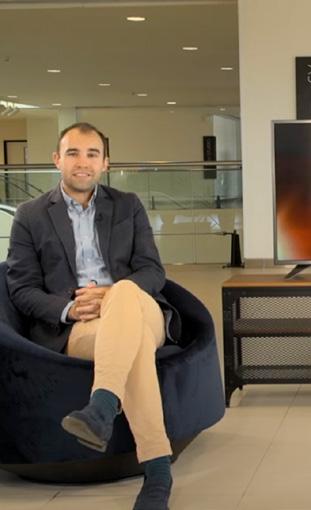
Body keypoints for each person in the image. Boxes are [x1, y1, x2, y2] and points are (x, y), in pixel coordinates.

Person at [6, 122, 181, 510]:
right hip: (80, 325)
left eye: (91, 154)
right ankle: (158, 472)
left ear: (105, 163)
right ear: (57, 159)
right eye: (73, 153)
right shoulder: (30, 215)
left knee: (124, 292)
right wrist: (68, 309)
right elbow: (21, 288)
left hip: (140, 309)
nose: (82, 162)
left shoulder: (127, 205)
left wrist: (115, 294)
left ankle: (101, 404)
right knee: (134, 348)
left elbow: (152, 271)